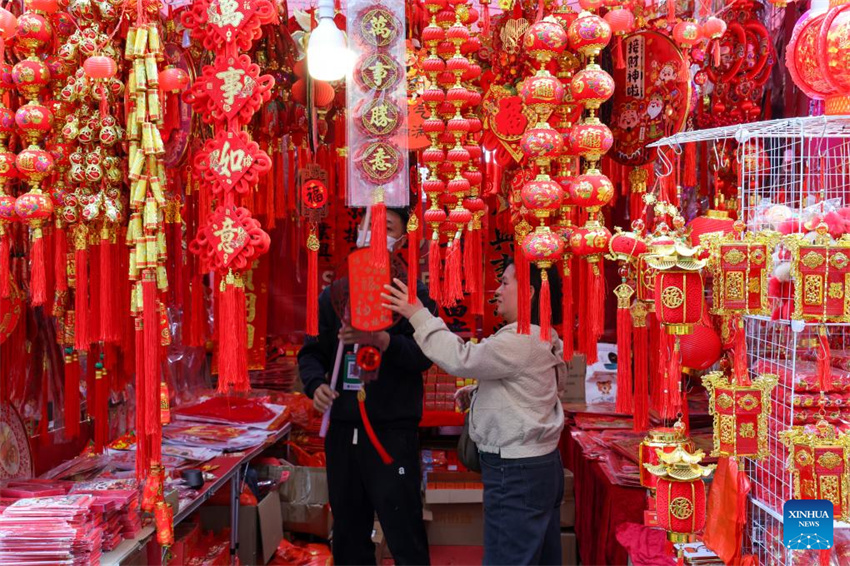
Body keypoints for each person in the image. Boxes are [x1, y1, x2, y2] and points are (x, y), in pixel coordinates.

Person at [382, 261, 566, 566]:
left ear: (530, 293)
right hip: (536, 467)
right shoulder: (540, 335)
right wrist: (479, 395)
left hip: (516, 472)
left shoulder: (522, 338)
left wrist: (418, 315)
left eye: (506, 283)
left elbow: (461, 358)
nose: (498, 290)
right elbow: (526, 389)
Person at [298, 208, 436, 566]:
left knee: (403, 528)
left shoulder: (411, 294)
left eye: (386, 227)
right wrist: (315, 386)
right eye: (368, 225)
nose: (374, 233)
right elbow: (311, 352)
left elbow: (426, 354)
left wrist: (382, 340)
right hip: (343, 430)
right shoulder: (336, 293)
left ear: (402, 240)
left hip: (390, 431)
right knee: (347, 530)